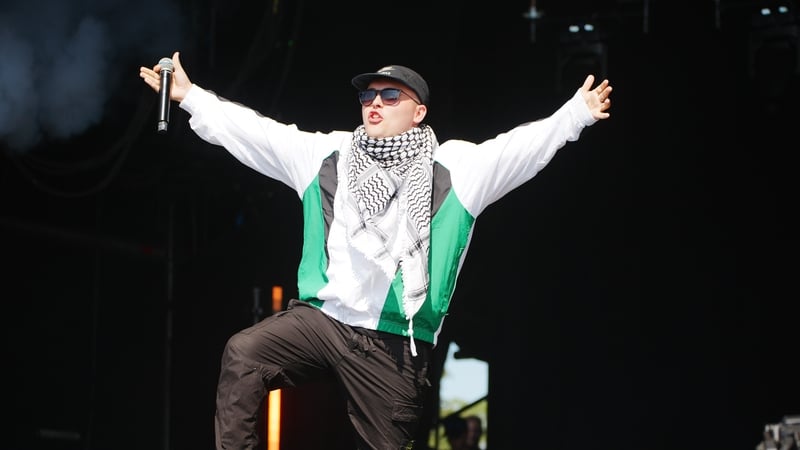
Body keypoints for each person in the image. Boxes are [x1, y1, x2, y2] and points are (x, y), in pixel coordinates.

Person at [139, 51, 612, 450]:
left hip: (395, 343)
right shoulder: (328, 156)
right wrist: (190, 96)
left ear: (419, 112)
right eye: (368, 97)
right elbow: (258, 133)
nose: (375, 104)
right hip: (324, 322)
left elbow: (518, 149)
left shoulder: (457, 168)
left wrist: (575, 114)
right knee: (244, 352)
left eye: (390, 96)